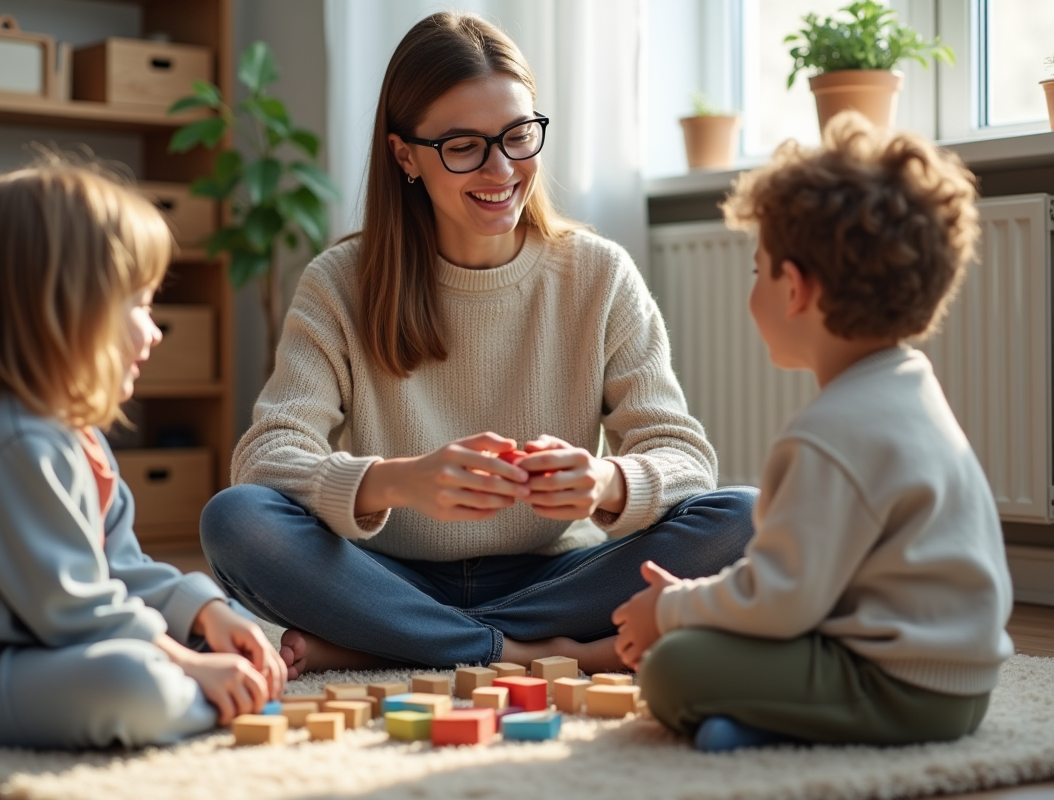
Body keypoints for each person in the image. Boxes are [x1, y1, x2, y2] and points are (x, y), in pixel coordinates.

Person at [201, 11, 756, 679]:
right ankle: (515, 651)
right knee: (237, 522)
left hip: (554, 575)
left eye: (519, 136)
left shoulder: (598, 274)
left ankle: (393, 644)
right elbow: (265, 459)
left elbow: (684, 457)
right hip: (386, 574)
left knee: (747, 517)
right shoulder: (339, 283)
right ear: (404, 154)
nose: (502, 169)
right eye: (464, 146)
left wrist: (606, 482)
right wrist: (398, 481)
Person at [612, 112, 1014, 752]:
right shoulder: (910, 387)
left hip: (899, 688)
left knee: (673, 669)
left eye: (758, 270)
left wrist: (673, 607)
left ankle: (770, 725)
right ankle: (768, 716)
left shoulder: (829, 433)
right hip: (960, 687)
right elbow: (808, 583)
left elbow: (782, 599)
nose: (755, 289)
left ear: (794, 288)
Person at [0, 164, 287, 749]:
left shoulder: (74, 435)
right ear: (67, 311)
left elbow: (119, 566)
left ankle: (201, 680)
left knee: (188, 645)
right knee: (135, 682)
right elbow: (74, 606)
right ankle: (207, 699)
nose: (155, 332)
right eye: (138, 306)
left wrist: (202, 614)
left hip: (43, 648)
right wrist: (187, 665)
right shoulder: (15, 443)